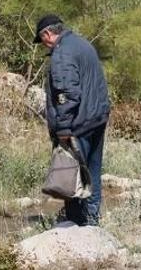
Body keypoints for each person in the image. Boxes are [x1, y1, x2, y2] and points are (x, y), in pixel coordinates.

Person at [35, 14, 111, 226]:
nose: (44, 45)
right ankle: (92, 220)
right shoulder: (83, 44)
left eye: (42, 40)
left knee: (71, 175)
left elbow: (67, 93)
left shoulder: (62, 53)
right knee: (92, 173)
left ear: (48, 34)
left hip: (77, 126)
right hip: (96, 119)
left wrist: (64, 127)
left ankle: (76, 223)